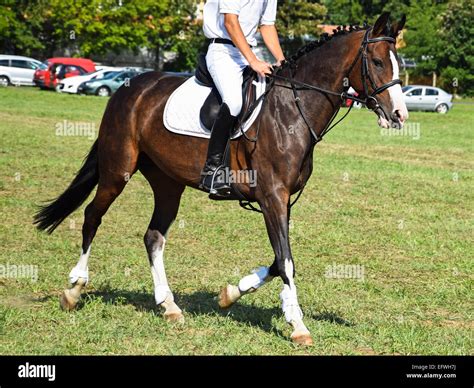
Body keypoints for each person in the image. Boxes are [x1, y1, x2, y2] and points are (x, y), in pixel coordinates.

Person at [200, 0, 285, 195]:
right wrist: (253, 61)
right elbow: (230, 22)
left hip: (247, 52)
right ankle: (212, 169)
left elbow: (267, 25)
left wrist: (282, 60)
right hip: (222, 52)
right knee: (235, 102)